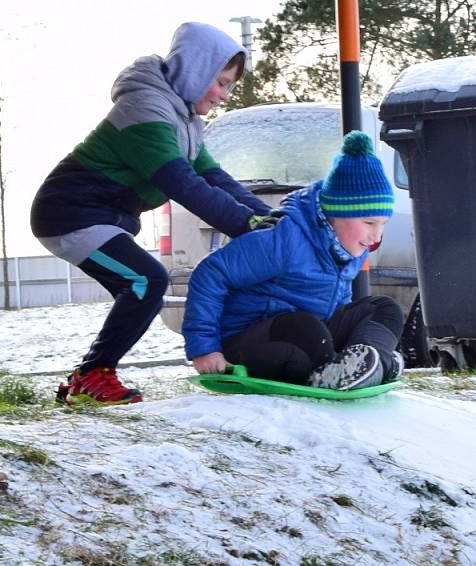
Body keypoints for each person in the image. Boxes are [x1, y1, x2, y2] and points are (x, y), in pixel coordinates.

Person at [30, 22, 274, 406]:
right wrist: (247, 225)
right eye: (223, 83)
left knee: (143, 292)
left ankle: (86, 377)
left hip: (104, 216)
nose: (226, 95)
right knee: (146, 281)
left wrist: (269, 217)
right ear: (195, 72)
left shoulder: (186, 121)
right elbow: (183, 184)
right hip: (70, 212)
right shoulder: (145, 108)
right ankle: (92, 375)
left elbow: (214, 177)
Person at [183, 131, 405, 390]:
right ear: (335, 215)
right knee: (305, 329)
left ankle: (372, 362)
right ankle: (335, 370)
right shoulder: (284, 241)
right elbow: (211, 273)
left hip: (311, 336)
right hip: (249, 340)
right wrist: (205, 348)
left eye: (382, 224)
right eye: (369, 223)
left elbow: (338, 301)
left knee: (383, 308)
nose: (376, 235)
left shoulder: (350, 248)